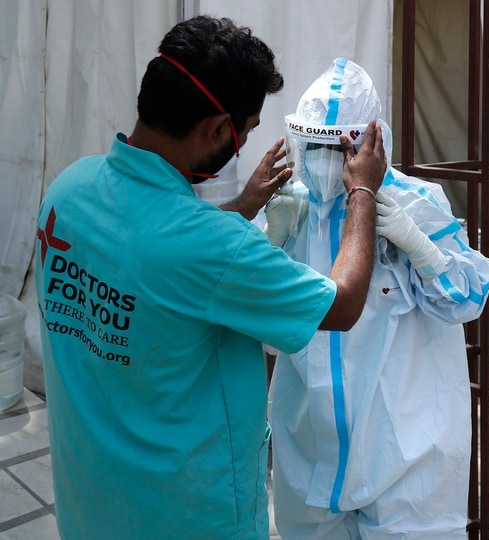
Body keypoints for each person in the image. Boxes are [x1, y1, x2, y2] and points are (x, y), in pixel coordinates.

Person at [34, 17, 386, 540]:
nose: (243, 146)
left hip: (92, 505)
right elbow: (344, 303)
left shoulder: (68, 191)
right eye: (243, 132)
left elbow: (150, 258)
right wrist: (363, 193)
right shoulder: (214, 247)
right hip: (189, 514)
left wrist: (242, 207)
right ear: (218, 129)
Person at [266, 58, 489, 540]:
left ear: (370, 142)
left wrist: (419, 245)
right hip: (309, 450)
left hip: (405, 455)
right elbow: (262, 320)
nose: (329, 161)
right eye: (317, 145)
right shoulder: (293, 206)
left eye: (342, 147)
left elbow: (469, 297)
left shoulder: (414, 202)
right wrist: (269, 239)